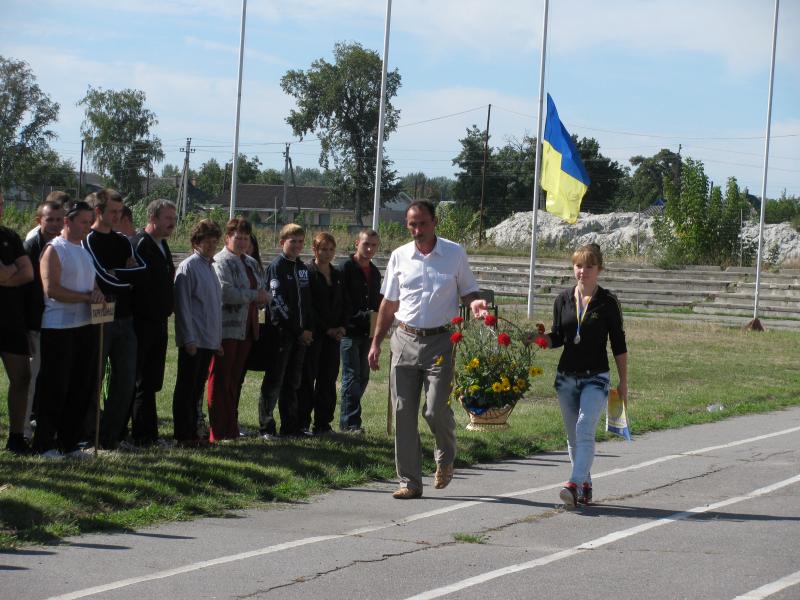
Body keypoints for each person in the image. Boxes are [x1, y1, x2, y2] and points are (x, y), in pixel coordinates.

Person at [368, 201, 488, 499]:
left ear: (435, 222)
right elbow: (389, 303)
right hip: (404, 338)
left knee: (434, 409)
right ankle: (409, 481)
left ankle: (445, 456)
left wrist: (475, 304)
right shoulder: (399, 256)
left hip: (441, 341)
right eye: (412, 224)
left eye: (422, 223)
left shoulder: (454, 253)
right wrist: (376, 342)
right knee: (402, 411)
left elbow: (469, 291)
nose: (417, 230)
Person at [538, 243, 628, 509]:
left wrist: (623, 382)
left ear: (599, 269)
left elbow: (619, 345)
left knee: (584, 428)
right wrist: (540, 339)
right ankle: (585, 484)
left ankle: (573, 484)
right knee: (573, 436)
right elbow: (558, 337)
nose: (583, 271)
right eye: (578, 265)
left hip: (596, 377)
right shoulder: (562, 299)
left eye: (589, 266)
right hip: (566, 377)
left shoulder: (608, 302)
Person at [32, 201, 105, 457]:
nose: (88, 226)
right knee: (56, 386)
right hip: (59, 327)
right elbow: (52, 290)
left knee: (80, 385)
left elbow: (92, 285)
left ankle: (70, 442)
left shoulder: (84, 251)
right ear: (68, 222)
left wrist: (96, 296)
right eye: (83, 222)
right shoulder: (54, 249)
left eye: (89, 222)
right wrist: (86, 297)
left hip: (85, 326)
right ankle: (45, 442)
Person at [83, 189, 147, 449]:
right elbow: (102, 278)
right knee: (93, 379)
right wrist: (125, 277)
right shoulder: (88, 240)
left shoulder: (122, 241)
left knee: (125, 379)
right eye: (112, 212)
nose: (118, 216)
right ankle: (89, 435)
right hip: (99, 318)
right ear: (99, 212)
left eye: (120, 212)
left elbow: (142, 272)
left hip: (125, 317)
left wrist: (120, 275)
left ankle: (110, 436)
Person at [208, 218, 269, 443]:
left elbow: (262, 288)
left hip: (248, 328)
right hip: (226, 329)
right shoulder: (221, 261)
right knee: (221, 379)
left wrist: (263, 298)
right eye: (238, 237)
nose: (242, 242)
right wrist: (255, 296)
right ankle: (217, 431)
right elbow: (226, 292)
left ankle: (231, 429)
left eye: (245, 238)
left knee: (235, 380)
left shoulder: (251, 262)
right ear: (227, 238)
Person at [257, 223, 313, 438]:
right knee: (275, 380)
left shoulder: (302, 269)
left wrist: (308, 329)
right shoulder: (276, 267)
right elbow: (277, 302)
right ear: (282, 243)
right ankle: (266, 427)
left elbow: (307, 303)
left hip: (301, 336)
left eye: (300, 241)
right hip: (281, 335)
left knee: (293, 382)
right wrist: (297, 330)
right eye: (293, 241)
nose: (297, 245)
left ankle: (290, 426)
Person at [129, 199, 177, 446]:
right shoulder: (139, 244)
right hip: (141, 322)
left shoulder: (163, 245)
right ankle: (141, 435)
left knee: (152, 381)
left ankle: (148, 433)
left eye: (174, 217)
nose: (173, 222)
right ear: (153, 218)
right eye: (168, 217)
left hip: (159, 322)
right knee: (141, 381)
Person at [172, 219, 223, 447]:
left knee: (196, 391)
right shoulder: (188, 267)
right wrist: (188, 338)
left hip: (208, 339)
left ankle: (194, 431)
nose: (211, 245)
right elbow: (182, 307)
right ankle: (183, 434)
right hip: (193, 340)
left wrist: (217, 338)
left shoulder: (210, 268)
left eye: (214, 241)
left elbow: (213, 307)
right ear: (196, 242)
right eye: (207, 241)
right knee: (186, 389)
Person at [22, 198, 65, 441]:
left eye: (59, 220)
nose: (55, 224)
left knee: (53, 377)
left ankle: (50, 424)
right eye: (50, 220)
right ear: (40, 220)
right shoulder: (30, 247)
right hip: (35, 322)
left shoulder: (66, 245)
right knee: (30, 378)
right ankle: (24, 429)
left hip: (59, 322)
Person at [298, 232, 349, 435]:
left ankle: (323, 424)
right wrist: (326, 328)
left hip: (334, 338)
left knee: (328, 380)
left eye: (330, 249)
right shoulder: (307, 273)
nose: (327, 253)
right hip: (314, 335)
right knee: (307, 379)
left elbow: (346, 304)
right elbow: (309, 306)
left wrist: (342, 327)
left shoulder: (338, 275)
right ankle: (302, 421)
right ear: (314, 250)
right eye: (323, 249)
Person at [0, 191, 35, 454]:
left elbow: (28, 273)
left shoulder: (10, 236)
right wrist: (13, 270)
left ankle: (15, 438)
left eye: (1, 203)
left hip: (11, 319)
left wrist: (8, 273)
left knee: (22, 377)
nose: (1, 207)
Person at [338, 229, 382, 434]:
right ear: (357, 243)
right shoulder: (345, 268)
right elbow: (341, 301)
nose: (370, 248)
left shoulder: (374, 272)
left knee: (363, 377)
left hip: (367, 332)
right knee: (351, 376)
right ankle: (350, 422)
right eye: (366, 244)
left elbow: (376, 301)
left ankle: (350, 418)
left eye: (373, 245)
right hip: (349, 331)